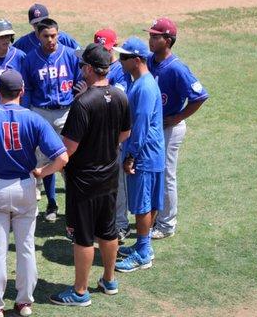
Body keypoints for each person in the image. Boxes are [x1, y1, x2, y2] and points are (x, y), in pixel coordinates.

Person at [0, 70, 68, 317]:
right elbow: (62, 157)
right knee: (26, 247)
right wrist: (42, 171)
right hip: (25, 187)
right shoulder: (34, 119)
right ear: (21, 91)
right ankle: (24, 302)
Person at [50, 44, 130, 307]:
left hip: (84, 181)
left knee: (84, 236)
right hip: (109, 176)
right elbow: (124, 135)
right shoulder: (119, 96)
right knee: (108, 231)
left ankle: (80, 292)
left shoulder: (83, 103)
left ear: (88, 68)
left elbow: (69, 148)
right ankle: (109, 280)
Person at [145, 18, 209, 239]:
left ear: (168, 40)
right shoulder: (148, 61)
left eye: (156, 36)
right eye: (151, 35)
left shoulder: (177, 68)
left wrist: (178, 116)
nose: (151, 39)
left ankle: (166, 224)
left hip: (169, 130)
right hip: (152, 128)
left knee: (165, 175)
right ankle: (155, 218)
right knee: (153, 173)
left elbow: (199, 96)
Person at [21, 18, 82, 222]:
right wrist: (27, 114)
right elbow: (27, 89)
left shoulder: (70, 55)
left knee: (70, 160)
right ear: (38, 36)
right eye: (46, 36)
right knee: (45, 159)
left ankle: (74, 206)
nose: (51, 40)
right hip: (41, 112)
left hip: (66, 112)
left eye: (54, 35)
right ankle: (51, 203)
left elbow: (79, 82)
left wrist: (77, 104)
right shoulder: (30, 59)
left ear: (59, 34)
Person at [113, 39, 165, 272]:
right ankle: (143, 245)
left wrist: (131, 155)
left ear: (136, 60)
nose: (120, 61)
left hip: (143, 153)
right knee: (149, 201)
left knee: (143, 204)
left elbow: (141, 123)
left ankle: (143, 253)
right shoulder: (144, 82)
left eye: (124, 57)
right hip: (152, 151)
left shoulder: (143, 87)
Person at [92, 29, 131, 242]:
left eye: (106, 49)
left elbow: (118, 102)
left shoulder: (120, 71)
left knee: (118, 181)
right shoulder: (99, 69)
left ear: (114, 47)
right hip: (100, 135)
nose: (104, 54)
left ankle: (121, 224)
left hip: (116, 134)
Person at [13, 3, 80, 55]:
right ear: (31, 24)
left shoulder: (62, 38)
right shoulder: (23, 43)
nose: (40, 26)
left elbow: (80, 54)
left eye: (42, 22)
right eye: (36, 24)